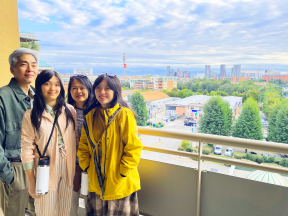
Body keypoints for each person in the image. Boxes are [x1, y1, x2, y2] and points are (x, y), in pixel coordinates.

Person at [77, 73, 143, 216]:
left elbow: (133, 147)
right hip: (95, 177)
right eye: (99, 88)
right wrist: (86, 166)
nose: (102, 92)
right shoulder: (91, 115)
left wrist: (122, 172)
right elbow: (83, 145)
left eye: (107, 88)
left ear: (116, 91)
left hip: (119, 180)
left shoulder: (124, 114)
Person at [20, 70, 77, 216]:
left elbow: (75, 140)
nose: (53, 88)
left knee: (65, 210)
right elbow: (26, 150)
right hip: (45, 168)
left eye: (57, 84)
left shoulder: (70, 111)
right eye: (47, 84)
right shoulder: (31, 115)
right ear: (39, 87)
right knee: (45, 211)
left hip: (68, 166)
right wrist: (32, 183)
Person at [0, 48, 38, 216]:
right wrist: (9, 176)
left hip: (37, 168)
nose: (30, 69)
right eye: (24, 64)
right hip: (15, 168)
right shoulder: (3, 97)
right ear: (12, 69)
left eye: (34, 65)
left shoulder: (38, 98)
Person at [67, 74, 93, 216]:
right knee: (72, 203)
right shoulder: (65, 111)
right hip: (71, 165)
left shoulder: (97, 111)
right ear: (70, 91)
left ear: (89, 89)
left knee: (92, 203)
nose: (78, 91)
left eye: (82, 87)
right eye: (74, 88)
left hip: (92, 165)